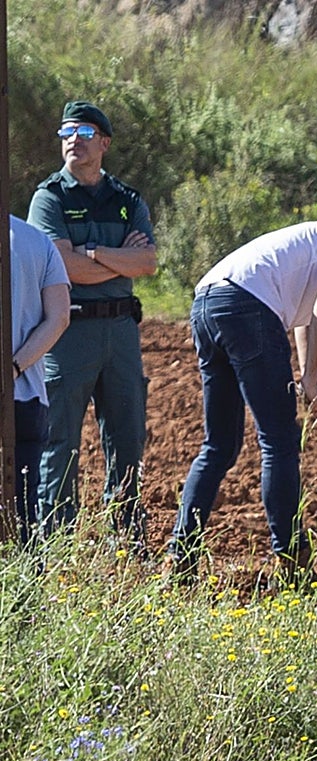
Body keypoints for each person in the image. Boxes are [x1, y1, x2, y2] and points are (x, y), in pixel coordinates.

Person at [168, 221, 317, 590]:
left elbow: (315, 361)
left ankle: (179, 562)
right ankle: (296, 571)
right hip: (248, 307)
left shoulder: (308, 275)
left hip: (208, 305)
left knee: (220, 446)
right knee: (279, 442)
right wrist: (307, 380)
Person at [27, 101, 157, 545]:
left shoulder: (127, 199)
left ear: (104, 142)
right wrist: (118, 259)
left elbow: (148, 262)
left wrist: (94, 255)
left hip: (121, 333)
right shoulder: (50, 197)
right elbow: (60, 267)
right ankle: (56, 542)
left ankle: (125, 539)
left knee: (127, 439)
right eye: (65, 132)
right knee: (60, 441)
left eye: (82, 132)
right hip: (69, 331)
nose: (72, 140)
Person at [8, 216, 71, 544]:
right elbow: (59, 317)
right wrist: (14, 368)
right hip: (26, 397)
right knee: (23, 513)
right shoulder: (38, 241)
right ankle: (26, 589)